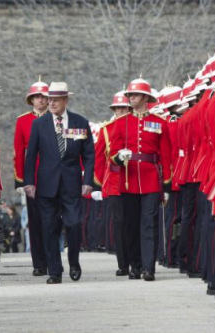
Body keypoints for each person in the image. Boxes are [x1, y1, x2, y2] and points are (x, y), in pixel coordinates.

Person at [24, 82, 94, 284]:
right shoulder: (39, 124)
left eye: (55, 99)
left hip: (72, 182)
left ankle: (74, 262)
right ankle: (55, 271)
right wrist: (29, 181)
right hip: (46, 183)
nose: (51, 103)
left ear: (65, 100)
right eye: (49, 99)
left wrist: (88, 180)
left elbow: (89, 155)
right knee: (49, 227)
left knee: (73, 223)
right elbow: (31, 156)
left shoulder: (80, 122)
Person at [109, 78, 171, 281]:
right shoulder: (120, 123)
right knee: (131, 225)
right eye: (129, 95)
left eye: (134, 95)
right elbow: (113, 154)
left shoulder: (159, 123)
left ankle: (148, 267)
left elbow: (165, 156)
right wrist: (119, 157)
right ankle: (134, 265)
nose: (131, 98)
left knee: (149, 224)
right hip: (129, 179)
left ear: (145, 97)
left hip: (151, 179)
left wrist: (167, 184)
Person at [92, 91, 132, 276]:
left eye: (124, 108)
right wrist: (98, 185)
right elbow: (99, 158)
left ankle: (136, 260)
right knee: (119, 222)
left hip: (134, 178)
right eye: (118, 108)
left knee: (133, 221)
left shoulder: (135, 126)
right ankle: (123, 263)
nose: (121, 111)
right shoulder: (106, 129)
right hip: (115, 180)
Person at [14, 80, 49, 275]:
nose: (41, 100)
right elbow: (19, 151)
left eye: (44, 97)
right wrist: (20, 180)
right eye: (37, 97)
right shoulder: (23, 121)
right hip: (33, 177)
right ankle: (39, 263)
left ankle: (52, 258)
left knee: (52, 220)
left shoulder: (56, 118)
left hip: (53, 175)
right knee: (35, 222)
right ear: (31, 100)